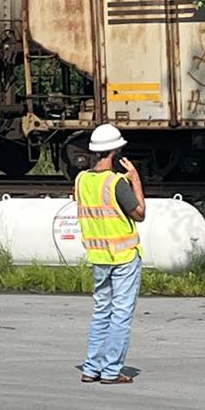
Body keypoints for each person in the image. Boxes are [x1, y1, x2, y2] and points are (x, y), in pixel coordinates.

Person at [76, 123, 146, 385]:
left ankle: (91, 367)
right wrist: (136, 180)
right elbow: (139, 214)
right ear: (115, 152)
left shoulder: (81, 180)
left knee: (101, 312)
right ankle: (111, 371)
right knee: (120, 314)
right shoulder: (116, 182)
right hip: (124, 256)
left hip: (98, 256)